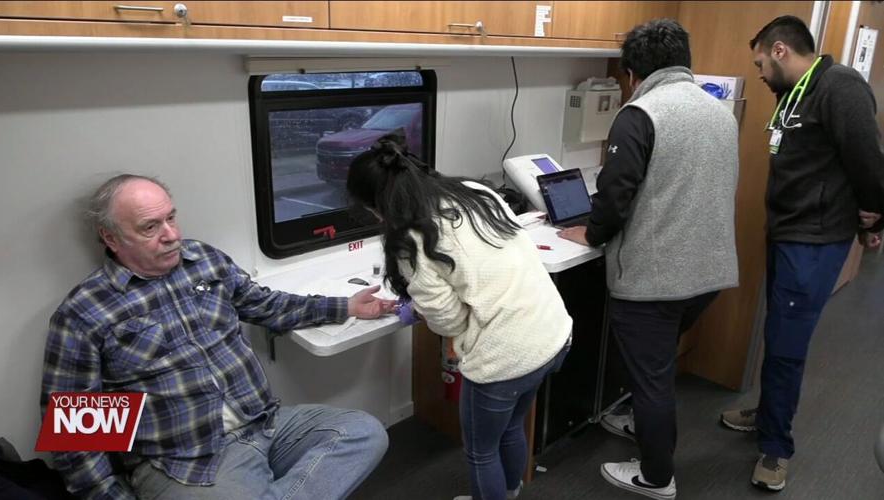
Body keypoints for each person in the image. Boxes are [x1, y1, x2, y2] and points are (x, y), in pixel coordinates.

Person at [40, 174, 395, 500]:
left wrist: (345, 307)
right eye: (150, 227)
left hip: (266, 426)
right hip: (184, 461)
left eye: (171, 218)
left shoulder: (204, 261)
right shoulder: (86, 311)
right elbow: (77, 436)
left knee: (364, 432)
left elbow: (267, 306)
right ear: (111, 237)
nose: (172, 235)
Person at [556, 19, 739, 499]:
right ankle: (636, 418)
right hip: (711, 271)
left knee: (652, 375)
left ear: (633, 74)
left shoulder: (641, 113)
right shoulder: (719, 110)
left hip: (659, 277)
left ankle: (656, 476)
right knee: (653, 363)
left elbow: (614, 198)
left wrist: (588, 234)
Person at [347, 133, 572, 500]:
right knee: (512, 427)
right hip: (551, 334)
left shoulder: (410, 239)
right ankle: (510, 492)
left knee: (481, 450)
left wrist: (416, 307)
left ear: (377, 205)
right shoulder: (473, 192)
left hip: (507, 355)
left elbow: (448, 322)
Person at [720, 15, 884, 492]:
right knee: (778, 332)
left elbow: (868, 161)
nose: (758, 73)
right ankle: (768, 412)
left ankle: (776, 449)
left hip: (813, 240)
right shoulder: (794, 92)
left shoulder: (841, 87)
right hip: (789, 233)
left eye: (759, 63)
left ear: (779, 52)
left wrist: (874, 216)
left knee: (788, 345)